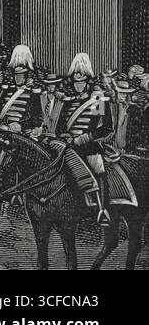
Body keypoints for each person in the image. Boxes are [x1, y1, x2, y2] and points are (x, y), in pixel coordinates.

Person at [50, 53, 113, 226]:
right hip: (66, 144)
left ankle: (102, 209)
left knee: (98, 167)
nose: (78, 74)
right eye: (76, 71)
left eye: (82, 71)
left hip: (88, 145)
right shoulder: (65, 97)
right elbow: (59, 125)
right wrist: (64, 136)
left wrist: (82, 139)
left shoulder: (97, 97)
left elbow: (104, 128)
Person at [0, 44, 43, 135]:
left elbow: (37, 119)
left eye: (21, 75)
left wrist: (21, 126)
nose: (18, 78)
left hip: (21, 134)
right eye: (16, 75)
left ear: (26, 76)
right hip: (3, 130)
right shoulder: (7, 92)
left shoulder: (32, 95)